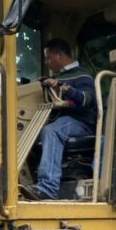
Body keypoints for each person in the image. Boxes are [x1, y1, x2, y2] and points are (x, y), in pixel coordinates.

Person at [22, 38, 96, 200]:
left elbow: (87, 101)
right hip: (65, 122)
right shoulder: (59, 77)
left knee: (52, 130)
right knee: (30, 132)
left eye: (49, 58)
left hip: (82, 123)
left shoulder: (82, 76)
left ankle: (48, 187)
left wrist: (66, 89)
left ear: (59, 55)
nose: (47, 62)